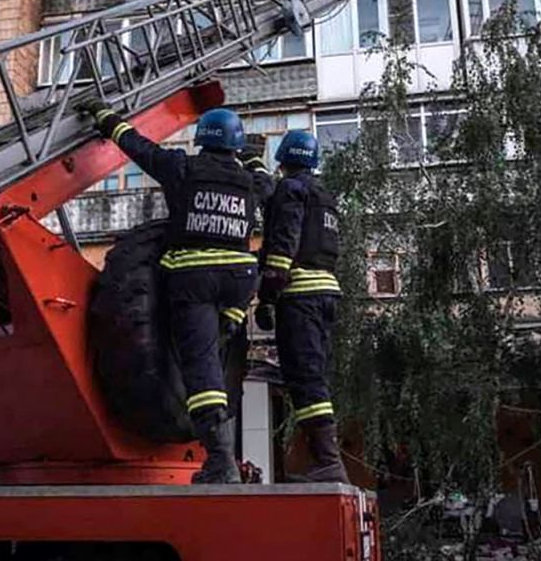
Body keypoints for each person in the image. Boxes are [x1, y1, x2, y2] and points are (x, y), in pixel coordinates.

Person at [76, 98, 273, 483]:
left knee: (199, 365)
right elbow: (266, 182)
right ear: (234, 145)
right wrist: (251, 157)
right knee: (216, 354)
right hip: (239, 281)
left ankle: (220, 459)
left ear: (201, 140)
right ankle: (225, 340)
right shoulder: (251, 182)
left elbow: (136, 145)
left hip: (195, 278)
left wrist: (104, 117)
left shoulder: (183, 168)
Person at [255, 130, 349, 483]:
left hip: (300, 296)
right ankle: (323, 460)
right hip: (326, 293)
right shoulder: (322, 195)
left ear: (283, 159)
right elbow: (275, 202)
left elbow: (283, 242)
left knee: (303, 377)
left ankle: (327, 461)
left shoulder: (291, 190)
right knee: (313, 375)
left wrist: (266, 296)